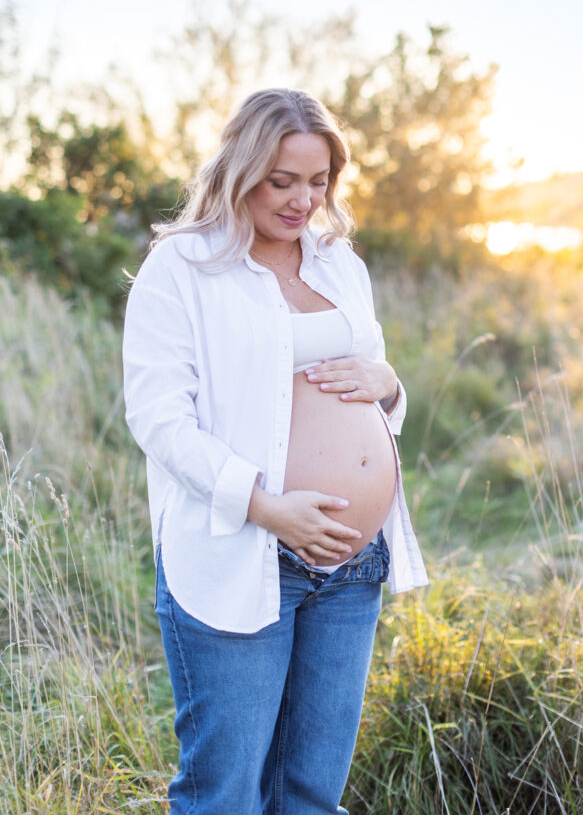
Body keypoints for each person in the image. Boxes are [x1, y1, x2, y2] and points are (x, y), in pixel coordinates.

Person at [122, 88, 427, 814]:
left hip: (354, 562)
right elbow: (159, 421)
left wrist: (389, 386)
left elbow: (377, 389)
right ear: (240, 169)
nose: (301, 201)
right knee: (223, 794)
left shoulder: (337, 263)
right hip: (240, 552)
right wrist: (267, 507)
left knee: (311, 794)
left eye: (317, 182)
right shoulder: (184, 268)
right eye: (281, 181)